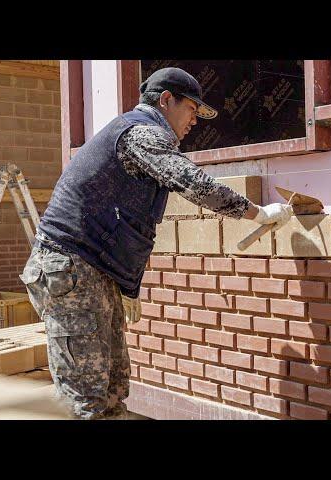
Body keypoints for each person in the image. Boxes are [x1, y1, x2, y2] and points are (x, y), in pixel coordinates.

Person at [19, 67, 293, 419]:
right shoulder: (140, 133)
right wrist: (259, 213)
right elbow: (194, 183)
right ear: (166, 100)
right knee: (86, 399)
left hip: (91, 271)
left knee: (114, 388)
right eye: (191, 109)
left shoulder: (140, 137)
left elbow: (128, 223)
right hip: (68, 270)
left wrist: (127, 288)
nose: (195, 121)